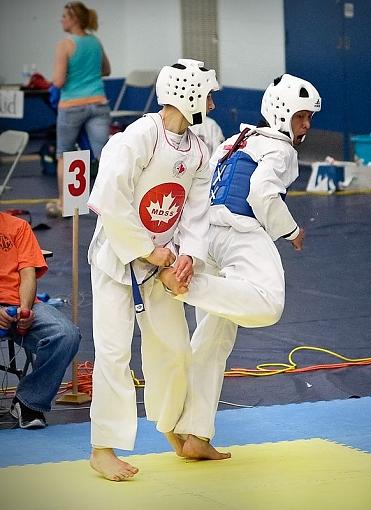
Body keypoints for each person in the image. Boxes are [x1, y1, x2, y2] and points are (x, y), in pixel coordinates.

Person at [159, 73, 321, 457]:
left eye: (309, 118)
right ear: (282, 113)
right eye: (301, 117)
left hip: (205, 234)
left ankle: (195, 434)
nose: (307, 126)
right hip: (238, 230)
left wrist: (187, 245)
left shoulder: (236, 139)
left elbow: (202, 187)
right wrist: (291, 229)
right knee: (268, 303)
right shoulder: (280, 149)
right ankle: (183, 285)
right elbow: (261, 192)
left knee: (213, 338)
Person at [87, 59, 219, 481]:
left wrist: (186, 256)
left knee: (176, 350)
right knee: (113, 351)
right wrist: (151, 253)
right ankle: (102, 448)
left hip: (162, 259)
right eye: (208, 95)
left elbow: (196, 214)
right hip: (118, 258)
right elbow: (111, 201)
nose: (213, 103)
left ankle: (172, 427)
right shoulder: (139, 137)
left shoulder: (198, 149)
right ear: (188, 95)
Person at [0, 211, 81, 428]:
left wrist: (25, 311)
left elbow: (28, 273)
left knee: (66, 334)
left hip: (21, 303)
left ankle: (29, 402)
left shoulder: (18, 227)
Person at [46, 1, 111, 218]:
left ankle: (64, 204)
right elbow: (106, 70)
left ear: (74, 18)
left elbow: (58, 81)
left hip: (71, 106)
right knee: (106, 156)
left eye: (65, 16)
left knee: (63, 154)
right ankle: (112, 202)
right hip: (98, 103)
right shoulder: (95, 41)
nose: (61, 19)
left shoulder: (64, 45)